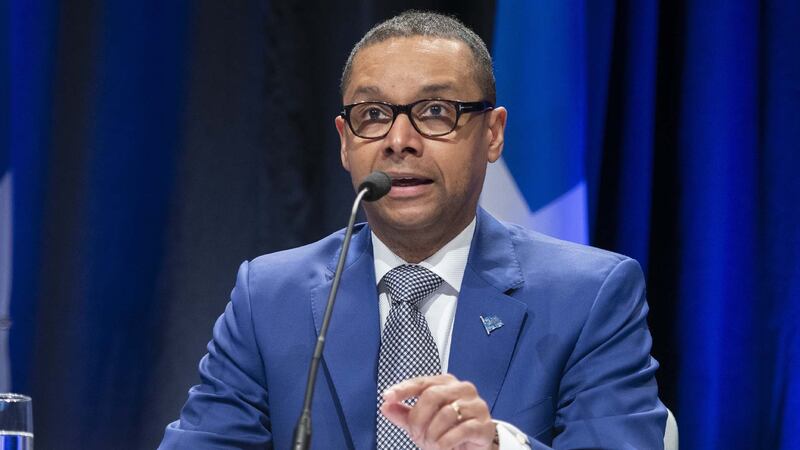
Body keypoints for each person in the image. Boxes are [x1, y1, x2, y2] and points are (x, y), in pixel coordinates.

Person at [159, 10, 666, 450]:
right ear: (345, 142)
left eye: (435, 112)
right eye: (373, 115)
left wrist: (494, 444)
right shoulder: (270, 297)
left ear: (493, 134)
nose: (399, 140)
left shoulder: (589, 296)